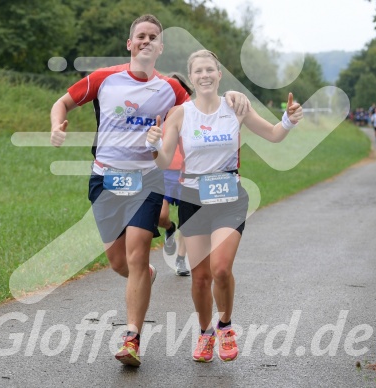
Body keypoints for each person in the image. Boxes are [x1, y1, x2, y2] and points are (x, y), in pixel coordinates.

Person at [49, 14, 250, 367]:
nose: (145, 41)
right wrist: (56, 126)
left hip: (147, 180)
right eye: (140, 36)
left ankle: (131, 338)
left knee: (138, 254)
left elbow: (206, 98)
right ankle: (145, 277)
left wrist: (232, 95)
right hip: (106, 179)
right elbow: (62, 102)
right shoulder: (103, 78)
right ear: (130, 44)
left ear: (160, 46)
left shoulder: (171, 88)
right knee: (118, 262)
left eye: (152, 37)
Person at [146, 50, 303, 362]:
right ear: (191, 78)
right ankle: (205, 333)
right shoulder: (180, 114)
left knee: (220, 268)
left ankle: (226, 325)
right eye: (198, 71)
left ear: (218, 75)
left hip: (229, 197)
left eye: (210, 70)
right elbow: (164, 160)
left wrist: (288, 120)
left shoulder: (235, 107)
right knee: (200, 276)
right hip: (192, 199)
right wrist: (152, 145)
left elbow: (273, 135)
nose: (204, 75)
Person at [159, 72, 191, 276]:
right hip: (163, 172)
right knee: (160, 215)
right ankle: (170, 228)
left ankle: (180, 260)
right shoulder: (158, 114)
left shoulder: (192, 113)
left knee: (188, 220)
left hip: (187, 173)